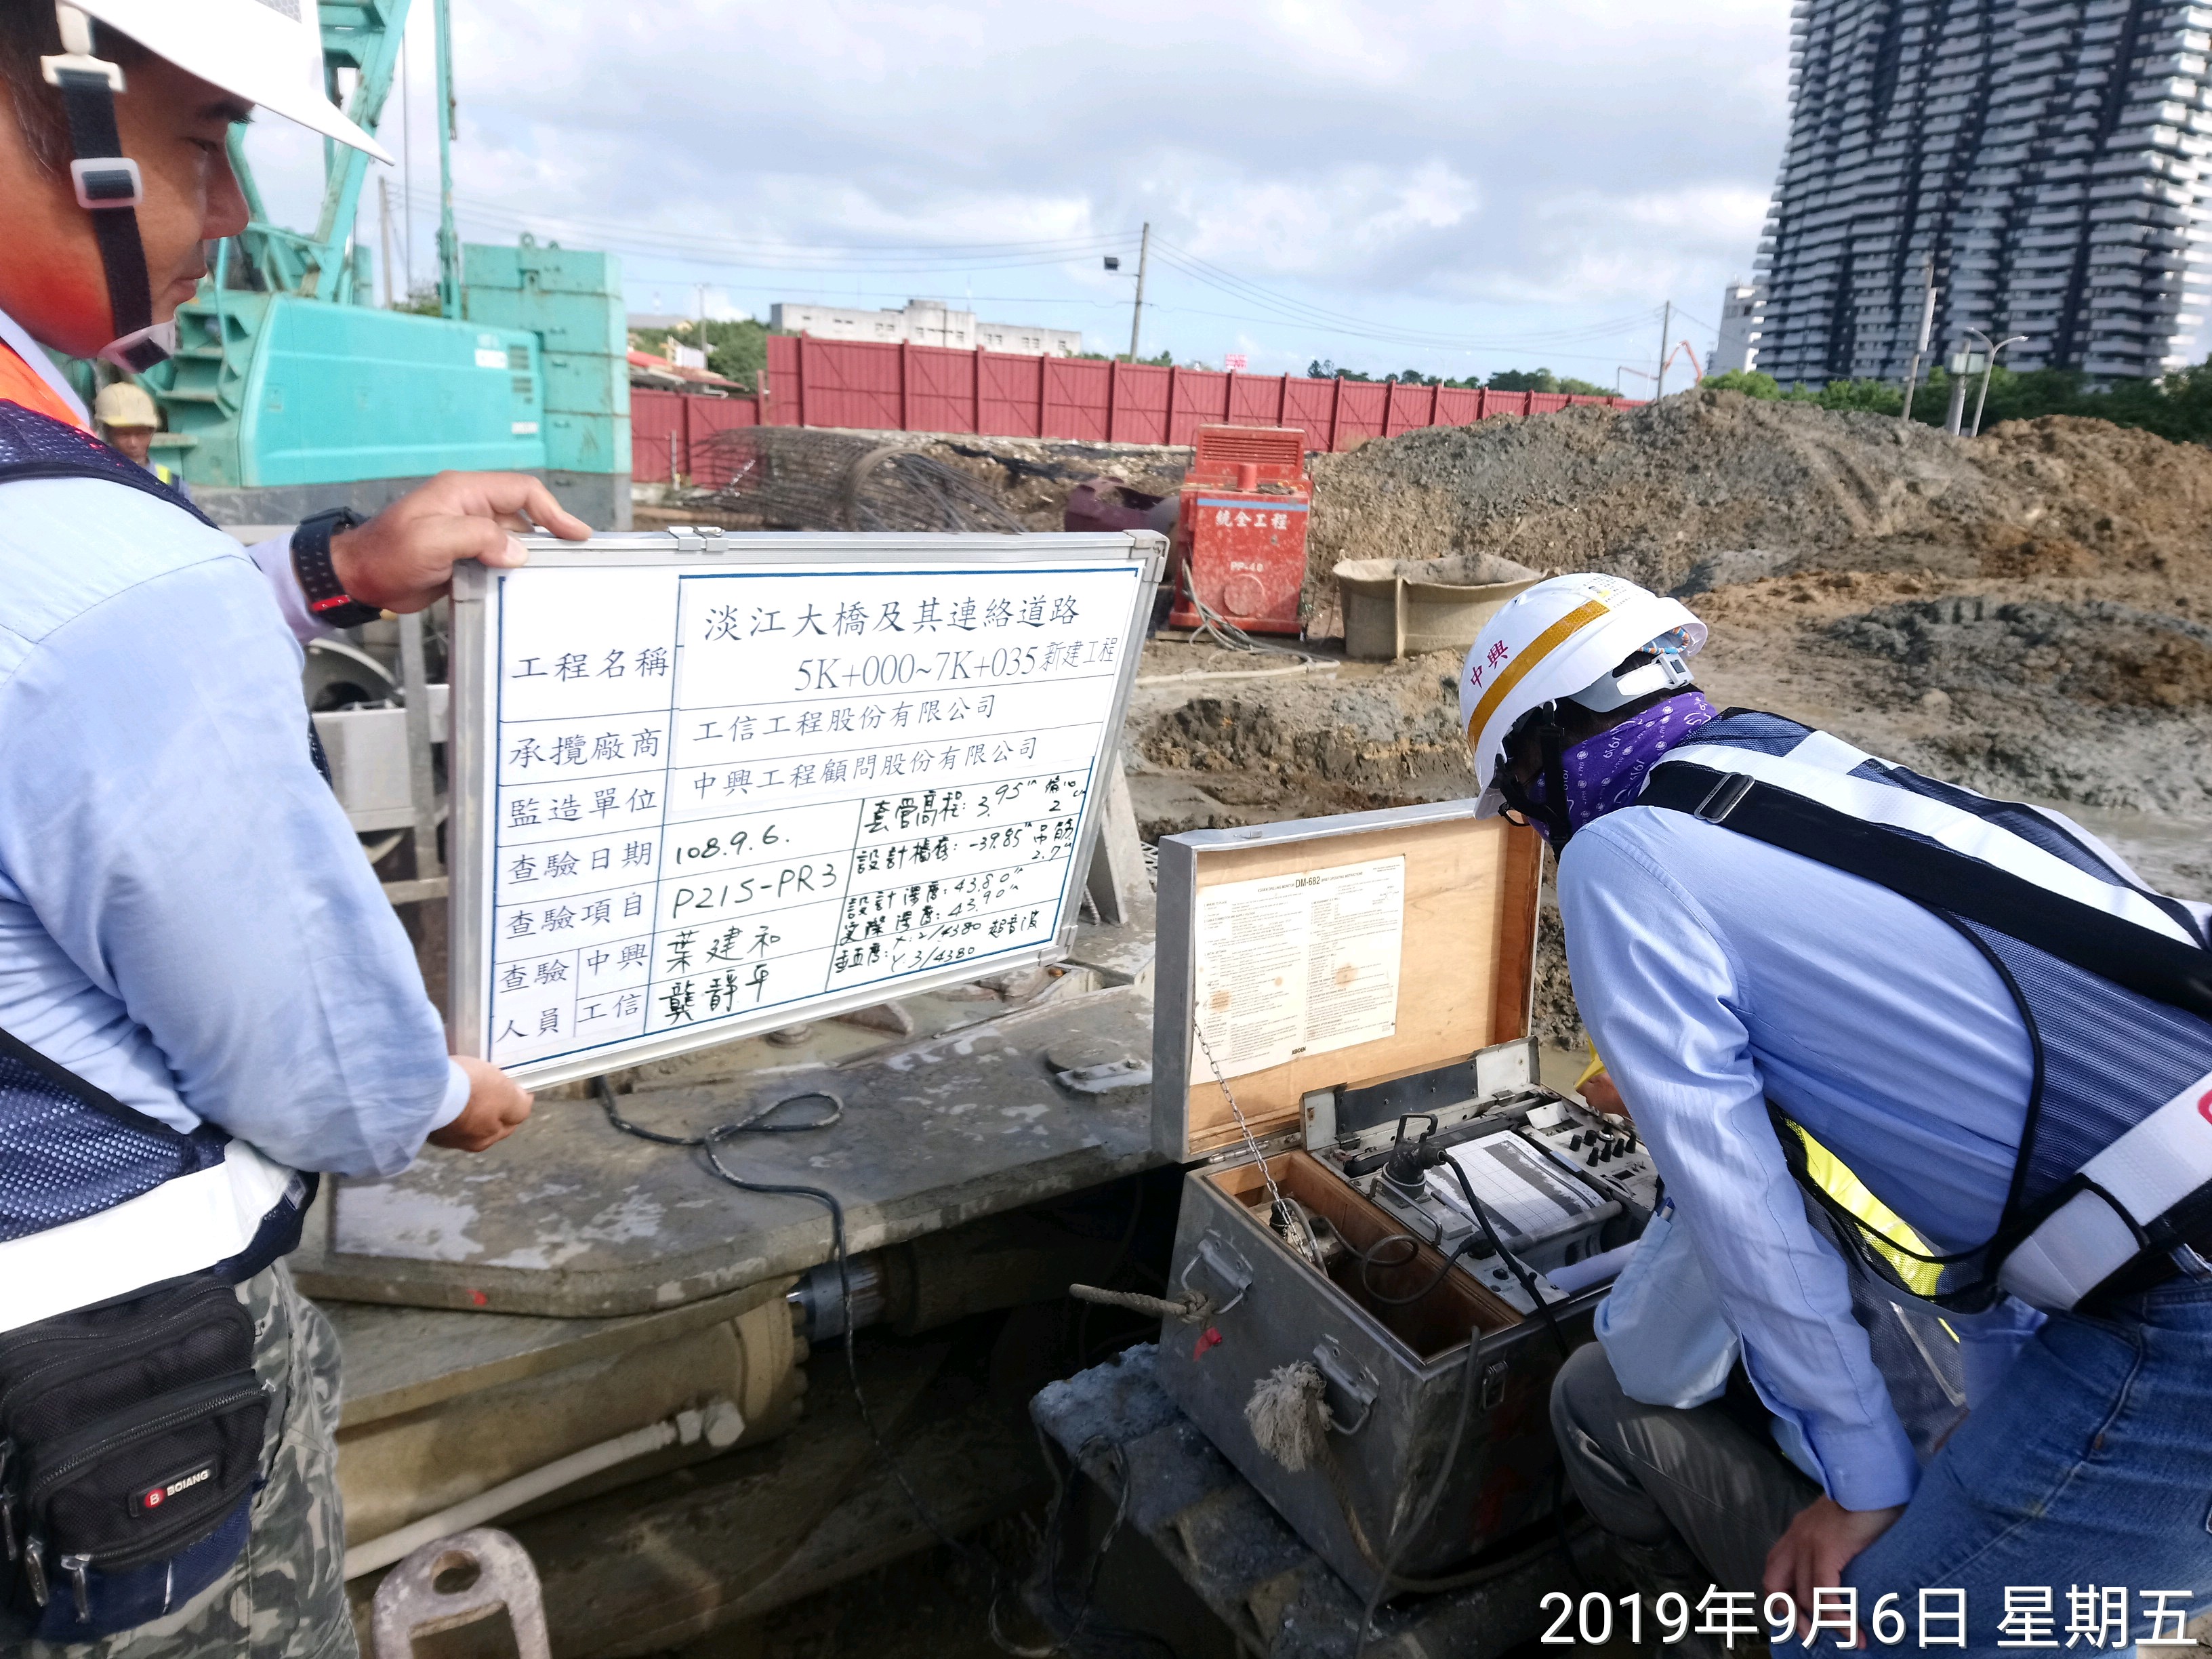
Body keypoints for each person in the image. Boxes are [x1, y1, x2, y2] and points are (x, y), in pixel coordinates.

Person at [0, 0, 589, 1651]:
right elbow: (323, 1068)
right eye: (199, 143)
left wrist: (317, 573)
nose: (240, 210)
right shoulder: (97, 580)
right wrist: (440, 1089)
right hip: (103, 1386)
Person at [1454, 572, 2212, 1652]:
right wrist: (1983, 1432)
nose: (1539, 830)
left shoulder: (1625, 855)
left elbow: (1739, 1208)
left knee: (1849, 1634)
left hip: (2180, 1303)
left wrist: (1863, 1480)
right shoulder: (1797, 768)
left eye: (1526, 806)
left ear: (1544, 749)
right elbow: (2012, 1194)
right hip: (2149, 1249)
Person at [90, 375, 181, 491]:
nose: (133, 443)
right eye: (123, 434)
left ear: (151, 432)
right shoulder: (96, 481)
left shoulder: (172, 483)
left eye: (141, 434)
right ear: (106, 432)